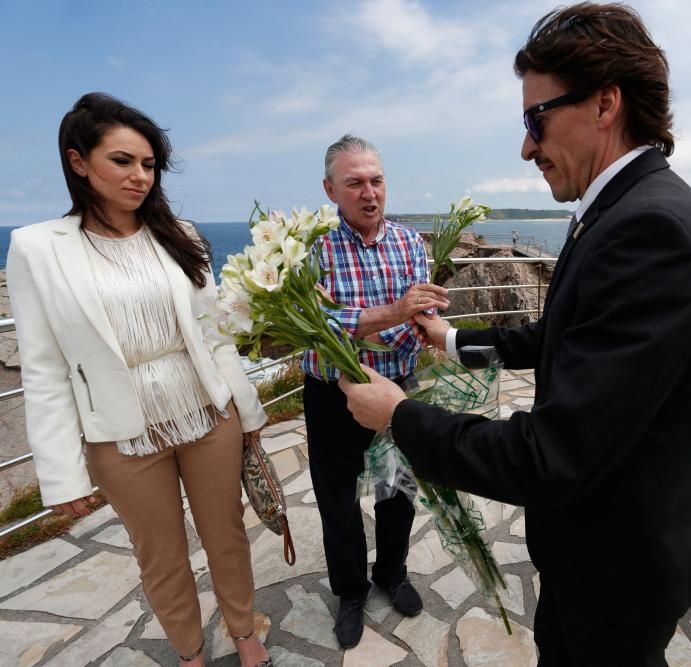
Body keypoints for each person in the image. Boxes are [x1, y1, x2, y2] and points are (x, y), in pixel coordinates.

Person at [338, 4, 691, 664]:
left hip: (616, 562)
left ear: (606, 103)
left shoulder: (646, 231)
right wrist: (452, 340)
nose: (526, 146)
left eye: (535, 118)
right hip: (613, 545)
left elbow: (553, 455)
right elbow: (563, 335)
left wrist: (400, 415)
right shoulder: (624, 208)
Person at [6, 93, 271, 666]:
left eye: (149, 164)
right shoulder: (36, 248)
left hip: (207, 414)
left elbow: (213, 335)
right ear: (79, 162)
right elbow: (46, 369)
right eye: (122, 160)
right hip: (122, 438)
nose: (140, 176)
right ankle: (190, 653)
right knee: (161, 556)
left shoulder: (181, 233)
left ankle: (247, 634)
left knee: (226, 536)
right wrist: (60, 475)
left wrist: (248, 415)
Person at [302, 134, 449, 650]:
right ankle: (350, 592)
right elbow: (315, 327)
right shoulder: (312, 252)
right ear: (330, 189)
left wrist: (361, 324)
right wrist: (393, 313)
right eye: (355, 183)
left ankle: (392, 572)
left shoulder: (411, 244)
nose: (370, 193)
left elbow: (421, 319)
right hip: (331, 394)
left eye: (377, 180)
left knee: (396, 491)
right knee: (337, 500)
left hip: (396, 389)